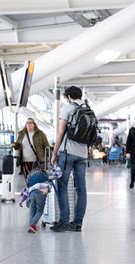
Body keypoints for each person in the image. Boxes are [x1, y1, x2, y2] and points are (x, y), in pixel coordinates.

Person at [50, 86, 91, 233]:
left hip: (68, 153)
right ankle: (78, 223)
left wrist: (55, 153)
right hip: (83, 154)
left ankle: (64, 221)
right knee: (81, 189)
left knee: (62, 185)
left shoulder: (67, 108)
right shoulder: (88, 109)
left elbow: (60, 132)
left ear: (68, 97)